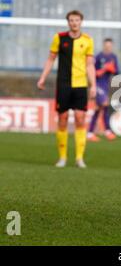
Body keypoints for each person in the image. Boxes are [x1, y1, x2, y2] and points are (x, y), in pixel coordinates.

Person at [37, 10, 96, 168]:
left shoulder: (88, 40)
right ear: (68, 22)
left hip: (80, 84)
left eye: (77, 20)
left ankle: (79, 158)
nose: (74, 23)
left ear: (81, 21)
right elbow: (51, 59)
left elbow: (90, 64)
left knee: (80, 118)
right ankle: (62, 157)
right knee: (62, 119)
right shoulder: (59, 38)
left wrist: (94, 85)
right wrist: (43, 77)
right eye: (71, 20)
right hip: (63, 84)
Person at [87, 38, 119, 142]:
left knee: (99, 108)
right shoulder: (98, 57)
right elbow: (93, 72)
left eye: (110, 46)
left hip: (106, 85)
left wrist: (111, 69)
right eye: (106, 45)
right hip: (98, 84)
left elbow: (116, 72)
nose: (108, 47)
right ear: (103, 45)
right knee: (104, 104)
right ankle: (106, 131)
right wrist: (105, 68)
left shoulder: (113, 57)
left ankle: (91, 132)